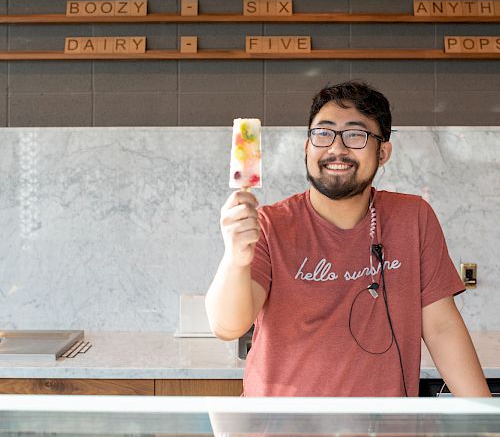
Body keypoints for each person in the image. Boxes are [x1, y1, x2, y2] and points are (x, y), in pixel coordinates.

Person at [205, 81, 491, 397]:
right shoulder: (270, 224)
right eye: (323, 133)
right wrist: (234, 257)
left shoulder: (413, 218)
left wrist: (485, 422)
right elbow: (227, 326)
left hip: (381, 428)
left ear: (383, 152)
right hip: (277, 428)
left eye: (355, 135)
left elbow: (441, 329)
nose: (336, 148)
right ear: (306, 147)